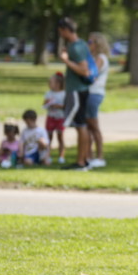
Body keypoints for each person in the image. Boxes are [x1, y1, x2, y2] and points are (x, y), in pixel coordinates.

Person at [57, 17, 93, 171]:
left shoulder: (76, 48)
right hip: (80, 90)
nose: (60, 34)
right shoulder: (81, 43)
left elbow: (84, 70)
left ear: (66, 30)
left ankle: (81, 162)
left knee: (80, 125)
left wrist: (66, 61)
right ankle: (84, 160)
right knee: (80, 125)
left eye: (60, 31)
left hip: (77, 91)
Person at [86, 32, 111, 168]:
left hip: (94, 93)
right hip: (89, 93)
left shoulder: (100, 58)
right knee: (87, 127)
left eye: (90, 42)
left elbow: (91, 74)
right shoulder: (92, 57)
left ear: (97, 44)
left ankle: (100, 157)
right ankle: (89, 156)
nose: (88, 45)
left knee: (93, 126)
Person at [43, 72, 67, 164]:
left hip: (60, 118)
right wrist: (47, 103)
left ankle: (61, 155)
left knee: (60, 137)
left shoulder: (64, 94)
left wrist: (57, 106)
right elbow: (44, 104)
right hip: (50, 117)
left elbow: (66, 106)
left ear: (58, 83)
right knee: (49, 137)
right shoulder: (48, 93)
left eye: (51, 82)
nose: (49, 84)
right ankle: (48, 155)